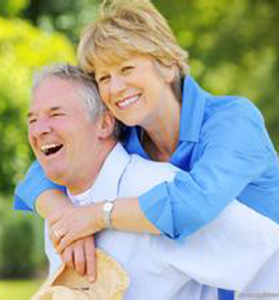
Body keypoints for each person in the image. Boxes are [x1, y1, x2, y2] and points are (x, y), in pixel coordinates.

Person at [14, 0, 279, 283]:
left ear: (166, 65)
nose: (115, 88)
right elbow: (40, 172)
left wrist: (95, 216)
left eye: (126, 69)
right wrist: (65, 217)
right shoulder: (129, 135)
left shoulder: (233, 121)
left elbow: (192, 205)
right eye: (104, 77)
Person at [27, 63, 279, 300]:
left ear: (104, 124)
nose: (39, 130)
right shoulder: (61, 207)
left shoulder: (156, 189)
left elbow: (272, 260)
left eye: (56, 114)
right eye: (32, 120)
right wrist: (63, 213)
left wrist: (96, 216)